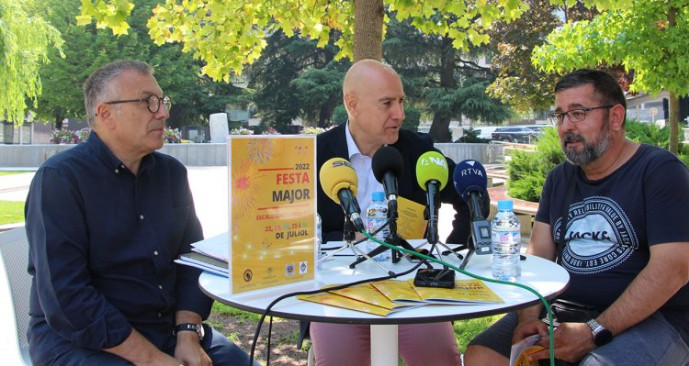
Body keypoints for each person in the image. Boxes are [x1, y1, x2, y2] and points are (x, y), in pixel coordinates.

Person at [464, 69, 689, 366]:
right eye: (560, 115)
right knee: (481, 356)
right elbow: (538, 253)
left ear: (615, 118)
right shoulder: (559, 178)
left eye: (578, 113)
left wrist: (594, 331)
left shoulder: (661, 173)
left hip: (657, 320)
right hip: (564, 309)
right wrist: (528, 316)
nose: (566, 126)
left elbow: (671, 272)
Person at [25, 60, 256, 366]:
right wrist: (150, 359)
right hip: (82, 342)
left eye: (162, 102)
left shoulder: (171, 174)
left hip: (168, 332)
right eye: (148, 102)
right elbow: (67, 297)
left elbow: (191, 262)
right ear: (106, 114)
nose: (163, 112)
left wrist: (187, 333)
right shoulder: (60, 180)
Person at [309, 59, 473, 365]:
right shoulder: (313, 155)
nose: (399, 114)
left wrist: (449, 253)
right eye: (387, 103)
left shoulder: (417, 149)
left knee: (441, 359)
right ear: (352, 104)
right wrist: (350, 238)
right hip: (336, 291)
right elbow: (293, 234)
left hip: (413, 288)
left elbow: (471, 198)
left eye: (401, 102)